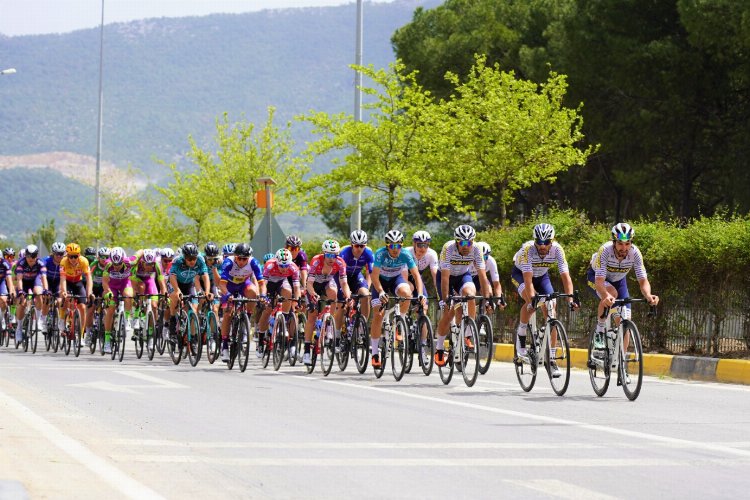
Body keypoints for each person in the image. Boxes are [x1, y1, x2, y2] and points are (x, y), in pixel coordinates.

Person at [511, 223, 578, 378]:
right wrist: (533, 298)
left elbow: (565, 277)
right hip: (521, 275)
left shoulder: (558, 250)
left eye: (546, 242)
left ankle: (551, 359)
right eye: (539, 243)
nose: (542, 246)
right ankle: (521, 333)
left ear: (552, 241)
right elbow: (528, 281)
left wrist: (570, 299)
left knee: (551, 311)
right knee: (531, 303)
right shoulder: (528, 250)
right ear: (534, 241)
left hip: (542, 277)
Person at [588, 223, 659, 348]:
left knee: (625, 323)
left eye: (627, 243)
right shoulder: (605, 250)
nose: (624, 248)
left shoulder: (635, 253)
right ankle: (599, 330)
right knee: (611, 293)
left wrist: (648, 295)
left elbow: (643, 280)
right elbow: (599, 282)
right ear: (614, 242)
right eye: (620, 243)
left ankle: (620, 364)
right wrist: (605, 295)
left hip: (620, 281)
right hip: (596, 278)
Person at [434, 225, 490, 367]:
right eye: (463, 243)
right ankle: (439, 347)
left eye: (469, 242)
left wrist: (487, 299)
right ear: (457, 241)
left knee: (470, 295)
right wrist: (446, 298)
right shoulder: (448, 248)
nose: (466, 246)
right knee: (448, 312)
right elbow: (445, 278)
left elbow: (483, 277)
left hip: (463, 276)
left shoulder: (477, 249)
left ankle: (467, 334)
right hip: (446, 278)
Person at [370, 230, 426, 368]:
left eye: (398, 246)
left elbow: (416, 275)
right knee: (378, 314)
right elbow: (374, 276)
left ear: (402, 245)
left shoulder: (406, 254)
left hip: (396, 278)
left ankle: (399, 321)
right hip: (380, 281)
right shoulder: (380, 254)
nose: (395, 249)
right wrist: (381, 291)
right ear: (387, 245)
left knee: (407, 293)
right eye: (392, 246)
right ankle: (375, 352)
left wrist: (420, 293)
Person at [303, 239, 350, 365]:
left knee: (334, 293)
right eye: (328, 255)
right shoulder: (316, 261)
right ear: (324, 254)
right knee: (312, 316)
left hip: (327, 282)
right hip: (313, 285)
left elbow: (344, 283)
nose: (331, 258)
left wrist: (348, 296)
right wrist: (313, 294)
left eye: (334, 255)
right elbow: (309, 283)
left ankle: (329, 324)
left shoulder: (340, 263)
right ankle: (307, 350)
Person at [217, 243, 263, 362]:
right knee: (228, 313)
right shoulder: (228, 263)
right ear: (235, 256)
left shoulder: (253, 262)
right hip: (229, 287)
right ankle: (225, 346)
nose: (242, 261)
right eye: (239, 258)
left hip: (243, 284)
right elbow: (222, 284)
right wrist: (227, 295)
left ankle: (246, 318)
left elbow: (261, 283)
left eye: (244, 259)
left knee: (253, 292)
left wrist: (262, 295)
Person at [258, 248, 301, 358]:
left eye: (286, 265)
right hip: (269, 285)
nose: (284, 268)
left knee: (288, 292)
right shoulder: (270, 265)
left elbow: (296, 288)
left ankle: (284, 320)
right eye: (281, 266)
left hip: (282, 282)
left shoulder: (293, 268)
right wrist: (263, 296)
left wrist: (298, 300)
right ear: (277, 262)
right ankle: (261, 340)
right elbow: (263, 284)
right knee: (267, 310)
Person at [336, 229, 374, 326]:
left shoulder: (368, 253)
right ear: (351, 244)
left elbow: (370, 273)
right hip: (342, 277)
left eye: (362, 246)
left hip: (356, 275)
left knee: (365, 296)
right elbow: (343, 279)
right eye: (357, 245)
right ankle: (337, 335)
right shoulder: (344, 253)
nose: (359, 249)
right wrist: (347, 294)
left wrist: (367, 287)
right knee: (342, 304)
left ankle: (363, 327)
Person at [102, 247, 135, 353]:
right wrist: (108, 292)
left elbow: (140, 254)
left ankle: (127, 318)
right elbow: (105, 282)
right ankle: (107, 340)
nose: (116, 267)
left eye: (119, 264)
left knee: (129, 296)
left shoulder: (129, 262)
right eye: (114, 264)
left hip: (125, 284)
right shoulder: (108, 264)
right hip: (112, 286)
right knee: (110, 309)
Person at [13, 245, 48, 343]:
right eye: (28, 256)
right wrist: (20, 291)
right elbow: (19, 279)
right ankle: (19, 329)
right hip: (24, 282)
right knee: (22, 303)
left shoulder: (41, 263)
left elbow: (44, 278)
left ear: (37, 256)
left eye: (33, 256)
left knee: (39, 294)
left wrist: (46, 290)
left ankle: (36, 322)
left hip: (35, 280)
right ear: (25, 255)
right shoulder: (21, 263)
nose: (30, 258)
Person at [59, 243, 93, 341]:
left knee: (82, 307)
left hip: (78, 282)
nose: (73, 259)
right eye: (70, 256)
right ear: (67, 255)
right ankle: (62, 320)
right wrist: (64, 291)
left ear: (79, 255)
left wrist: (89, 292)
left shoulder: (84, 261)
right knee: (66, 299)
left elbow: (89, 278)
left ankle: (81, 335)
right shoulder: (63, 262)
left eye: (75, 256)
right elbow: (63, 278)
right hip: (68, 282)